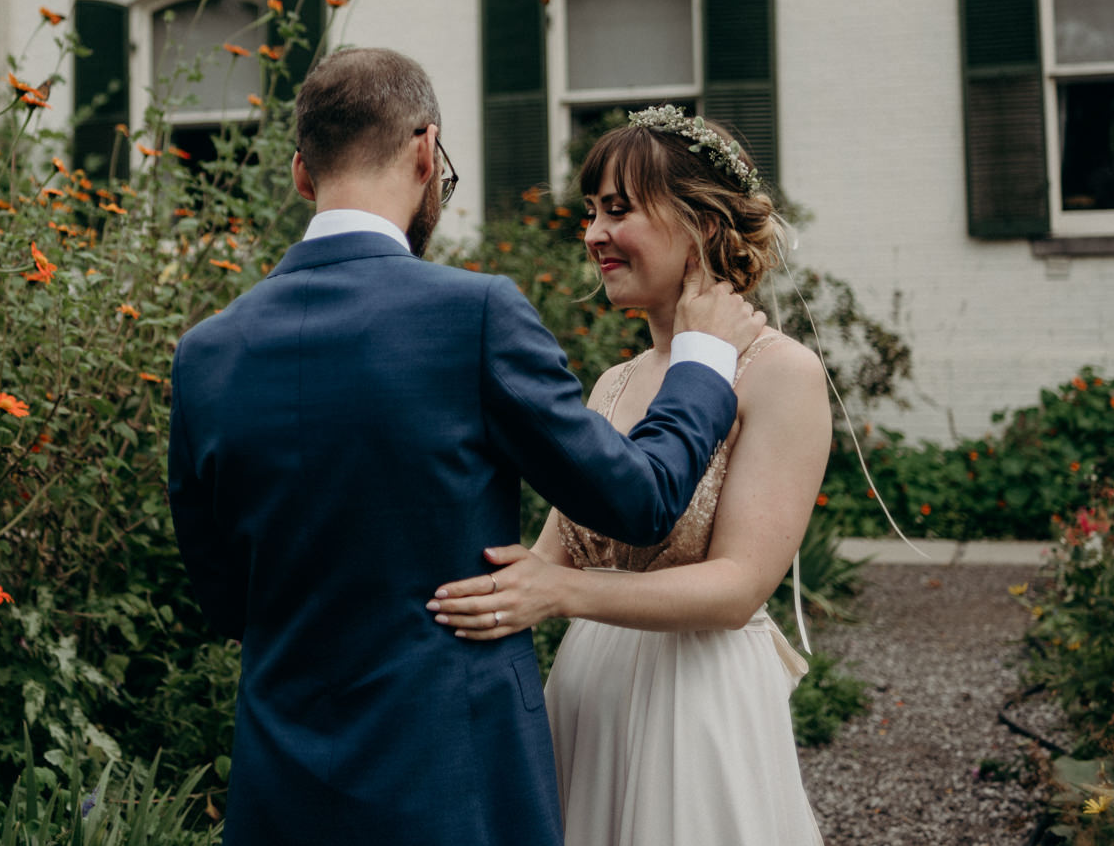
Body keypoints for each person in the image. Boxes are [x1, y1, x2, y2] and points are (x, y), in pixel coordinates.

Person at [168, 50, 769, 846]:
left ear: (301, 176)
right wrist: (704, 362)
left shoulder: (206, 352)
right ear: (426, 151)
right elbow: (641, 500)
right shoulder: (474, 313)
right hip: (455, 777)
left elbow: (221, 594)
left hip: (283, 780)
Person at [428, 107, 830, 844]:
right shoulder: (611, 385)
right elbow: (548, 559)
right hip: (589, 692)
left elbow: (740, 586)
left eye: (619, 210)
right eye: (589, 213)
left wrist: (562, 594)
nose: (592, 235)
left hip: (698, 704)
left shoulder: (781, 374)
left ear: (703, 226)